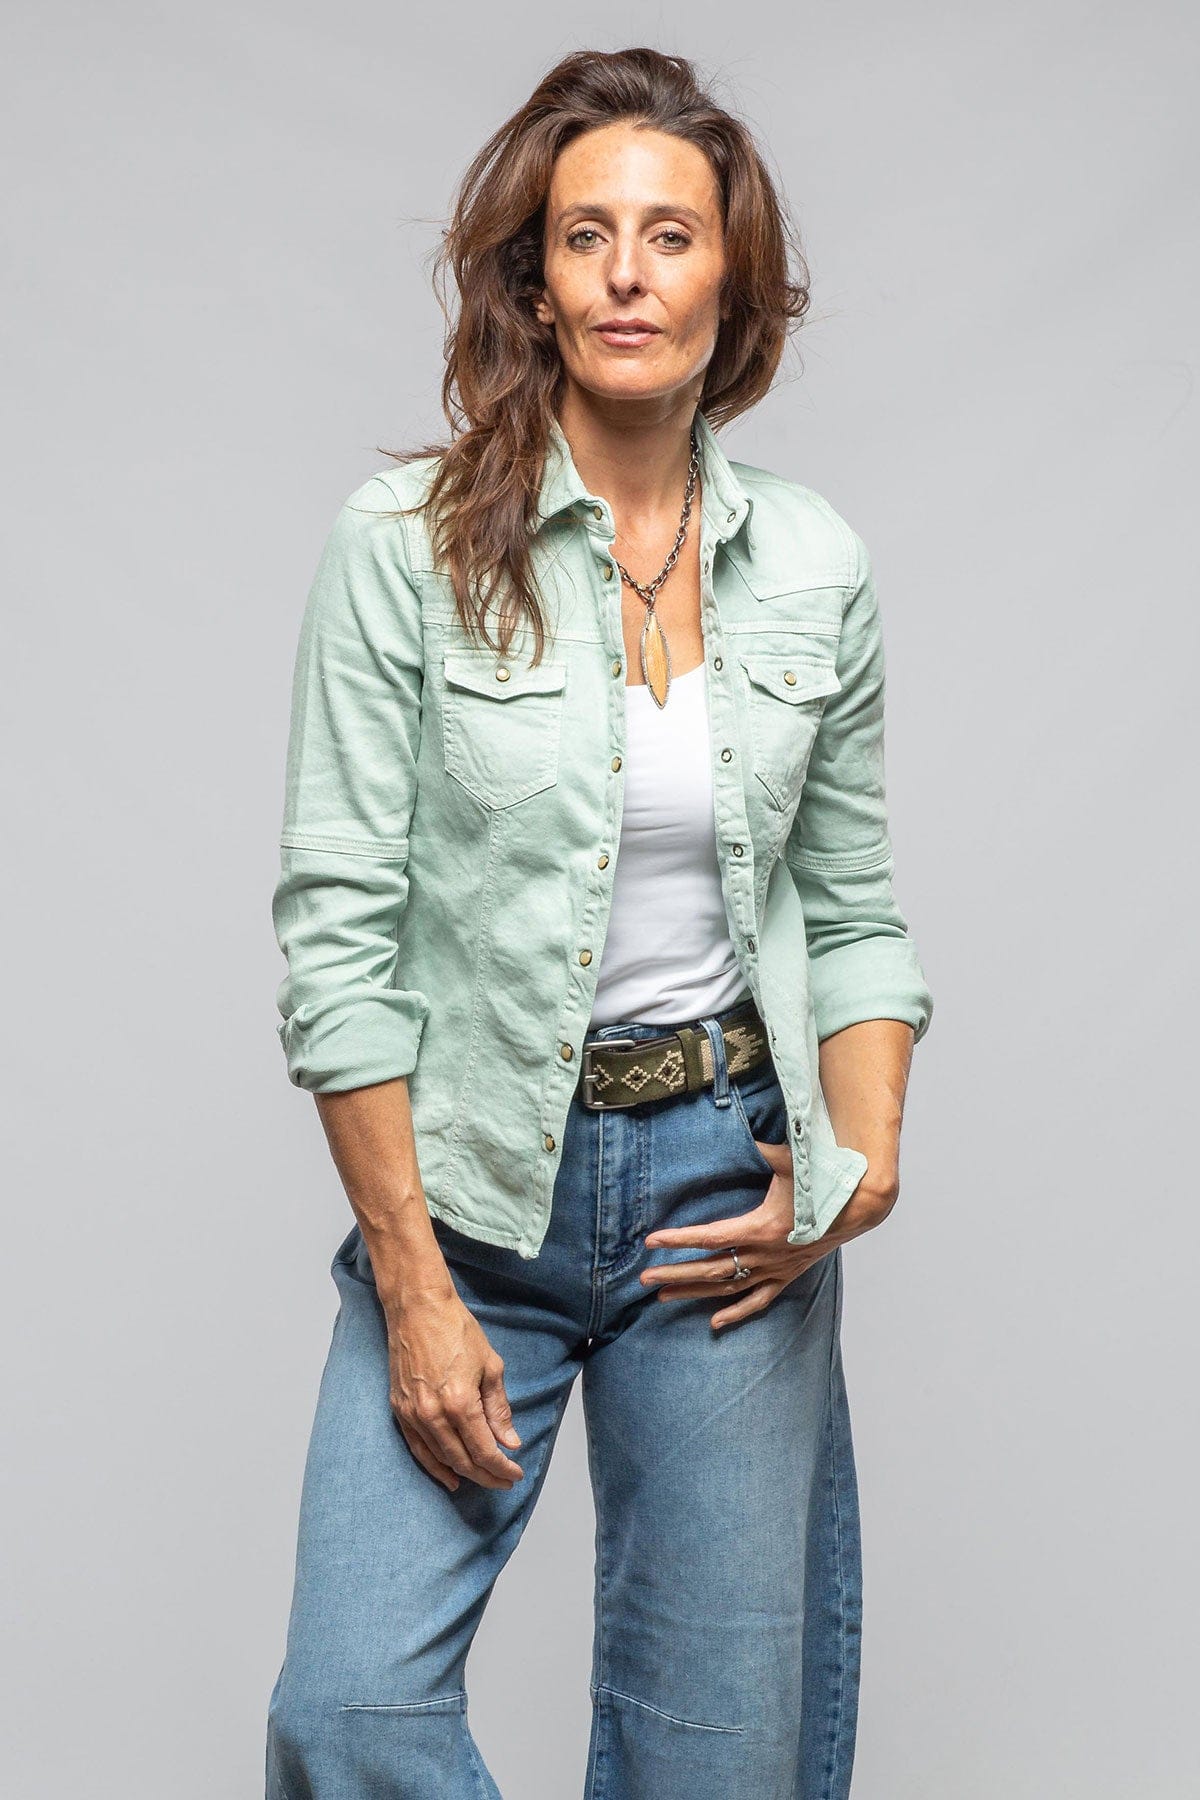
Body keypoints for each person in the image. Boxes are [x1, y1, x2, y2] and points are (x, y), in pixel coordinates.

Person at [264, 45, 934, 1800]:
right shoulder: (404, 546)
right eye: (586, 236)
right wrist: (411, 1282)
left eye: (671, 235)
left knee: (717, 1764)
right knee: (350, 1711)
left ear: (735, 282)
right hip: (470, 1191)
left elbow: (856, 913)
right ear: (537, 283)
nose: (628, 273)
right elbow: (338, 941)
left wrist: (857, 1166)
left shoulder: (815, 565)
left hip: (722, 1198)